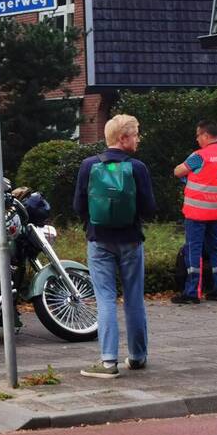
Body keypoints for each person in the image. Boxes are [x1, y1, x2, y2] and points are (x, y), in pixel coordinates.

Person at [74, 114, 157, 378]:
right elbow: (149, 208)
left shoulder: (88, 165)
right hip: (131, 241)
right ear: (123, 138)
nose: (138, 139)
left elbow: (78, 206)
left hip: (99, 242)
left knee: (105, 299)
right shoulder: (138, 167)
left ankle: (108, 361)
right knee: (134, 298)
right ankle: (138, 356)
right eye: (135, 134)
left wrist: (93, 224)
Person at [172, 120, 217, 304]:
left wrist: (190, 175)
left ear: (206, 136)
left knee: (194, 250)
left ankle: (192, 292)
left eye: (198, 135)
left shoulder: (198, 156)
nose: (197, 139)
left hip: (197, 213)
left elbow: (178, 171)